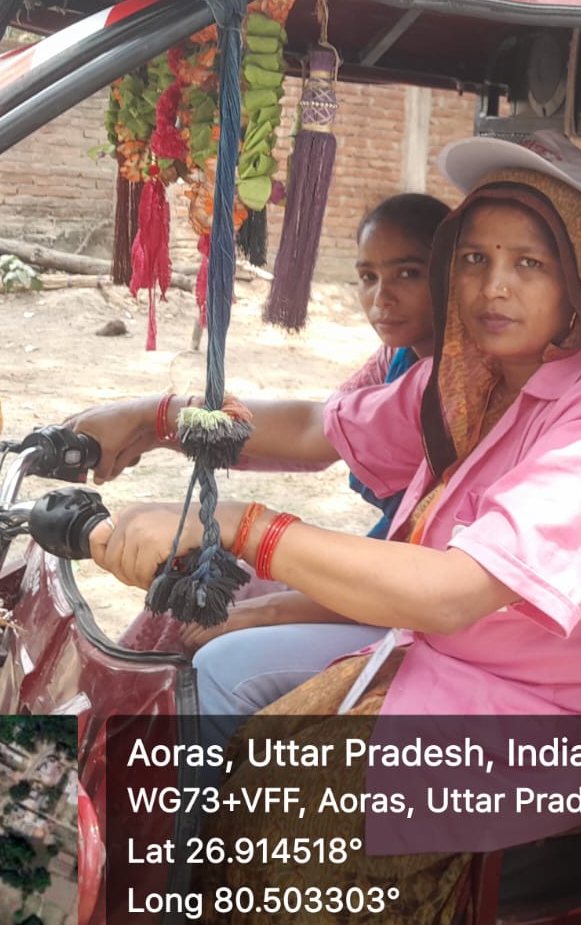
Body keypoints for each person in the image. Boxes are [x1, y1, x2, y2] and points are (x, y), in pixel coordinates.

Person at [87, 133, 581, 925]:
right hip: (440, 655)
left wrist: (244, 527)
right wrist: (155, 416)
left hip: (544, 718)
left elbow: (456, 591)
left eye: (529, 263)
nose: (493, 287)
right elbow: (321, 427)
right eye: (473, 258)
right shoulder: (477, 372)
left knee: (283, 795)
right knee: (215, 676)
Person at [69, 193, 449, 714]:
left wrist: (154, 418)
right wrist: (154, 430)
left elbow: (312, 432)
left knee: (223, 662)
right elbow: (322, 426)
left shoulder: (450, 384)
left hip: (416, 597)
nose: (382, 297)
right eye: (368, 276)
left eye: (408, 273)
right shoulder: (398, 357)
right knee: (195, 587)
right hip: (391, 566)